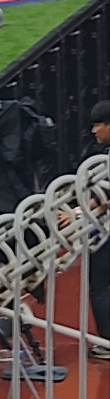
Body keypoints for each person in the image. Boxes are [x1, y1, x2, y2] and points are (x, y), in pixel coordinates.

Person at [60, 100, 110, 360]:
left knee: (98, 286)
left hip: (105, 234)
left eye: (98, 124)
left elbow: (104, 196)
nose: (94, 131)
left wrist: (76, 213)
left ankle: (107, 342)